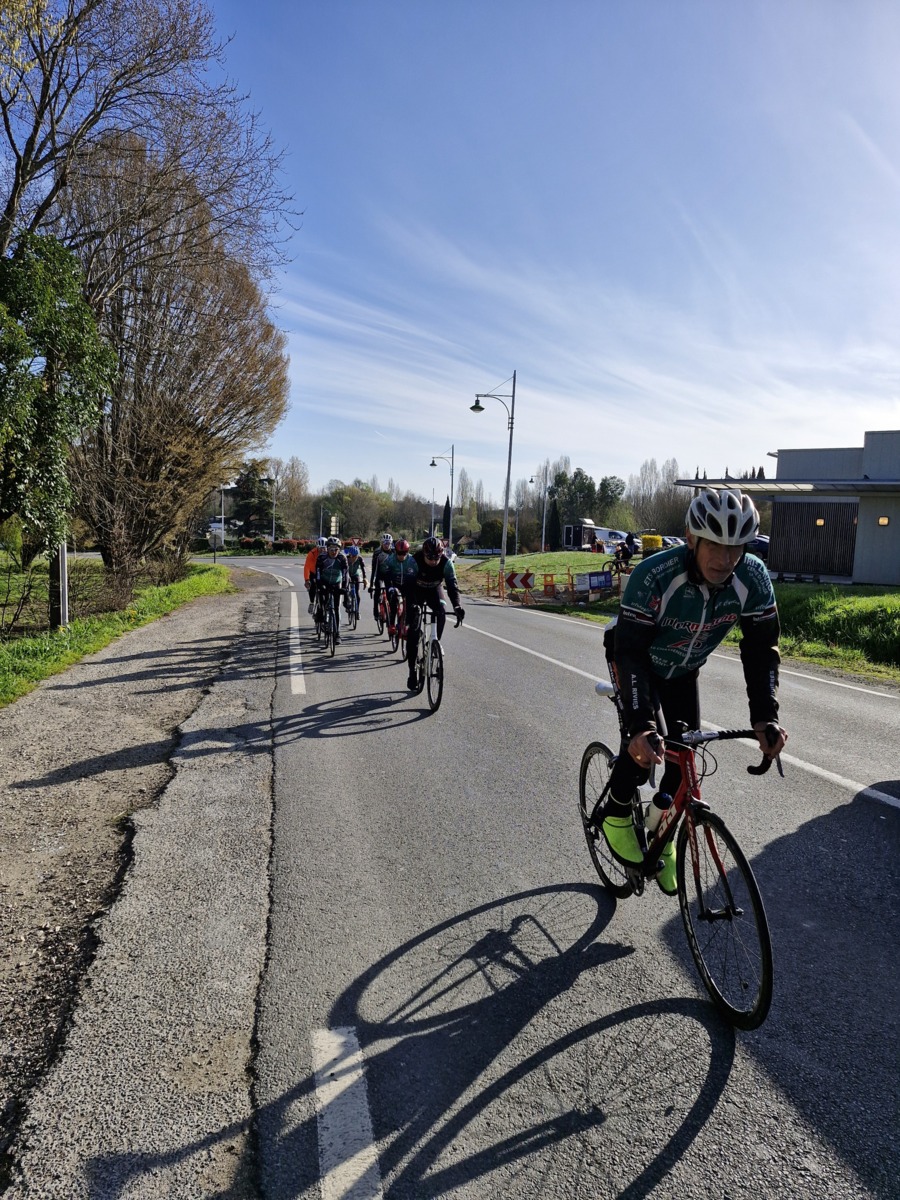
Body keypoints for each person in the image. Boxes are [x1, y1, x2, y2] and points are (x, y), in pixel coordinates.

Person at [601, 488, 787, 894]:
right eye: (715, 546)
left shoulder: (752, 578)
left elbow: (761, 651)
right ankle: (615, 812)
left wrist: (765, 716)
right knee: (644, 749)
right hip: (636, 661)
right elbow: (630, 653)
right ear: (691, 539)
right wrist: (640, 724)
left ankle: (663, 834)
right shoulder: (655, 575)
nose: (725, 559)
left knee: (682, 762)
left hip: (683, 671)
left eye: (735, 547)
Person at [401, 535, 465, 691]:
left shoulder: (446, 563)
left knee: (441, 611)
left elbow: (452, 587)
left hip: (434, 589)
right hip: (416, 591)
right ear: (424, 554)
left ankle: (434, 644)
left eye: (436, 558)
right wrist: (412, 606)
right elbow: (407, 587)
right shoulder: (413, 561)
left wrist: (457, 606)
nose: (433, 561)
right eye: (430, 558)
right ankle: (412, 671)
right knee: (413, 631)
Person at [376, 537, 417, 636]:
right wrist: (390, 587)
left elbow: (417, 575)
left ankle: (406, 624)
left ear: (407, 552)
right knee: (393, 601)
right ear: (396, 551)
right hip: (394, 584)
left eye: (404, 553)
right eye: (399, 553)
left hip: (407, 584)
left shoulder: (412, 560)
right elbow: (386, 575)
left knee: (411, 604)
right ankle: (392, 625)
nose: (401, 556)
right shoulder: (390, 560)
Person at [315, 536, 349, 642]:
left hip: (336, 582)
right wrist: (319, 584)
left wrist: (344, 587)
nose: (334, 552)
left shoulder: (342, 558)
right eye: (331, 549)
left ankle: (337, 634)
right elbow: (318, 573)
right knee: (322, 602)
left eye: (336, 549)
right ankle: (321, 617)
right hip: (324, 582)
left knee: (337, 608)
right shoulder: (321, 558)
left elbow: (345, 574)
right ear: (327, 549)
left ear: (339, 550)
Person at [370, 533, 394, 623]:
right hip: (379, 574)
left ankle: (391, 611)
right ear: (381, 543)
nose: (387, 545)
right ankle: (375, 610)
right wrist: (371, 584)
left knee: (390, 593)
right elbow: (374, 569)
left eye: (389, 543)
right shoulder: (377, 553)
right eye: (385, 543)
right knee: (378, 590)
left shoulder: (394, 552)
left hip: (389, 575)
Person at [304, 536, 327, 617]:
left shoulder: (329, 553)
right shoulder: (312, 553)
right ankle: (312, 602)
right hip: (313, 572)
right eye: (320, 548)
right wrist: (307, 580)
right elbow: (307, 567)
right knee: (313, 584)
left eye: (324, 548)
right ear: (317, 547)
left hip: (324, 573)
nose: (322, 550)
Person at [345, 544, 367, 616]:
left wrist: (364, 578)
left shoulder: (360, 559)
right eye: (352, 556)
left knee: (357, 593)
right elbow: (343, 570)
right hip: (347, 575)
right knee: (346, 590)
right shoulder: (346, 559)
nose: (354, 558)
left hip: (355, 575)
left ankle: (357, 611)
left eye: (356, 556)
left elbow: (363, 569)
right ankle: (347, 602)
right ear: (349, 555)